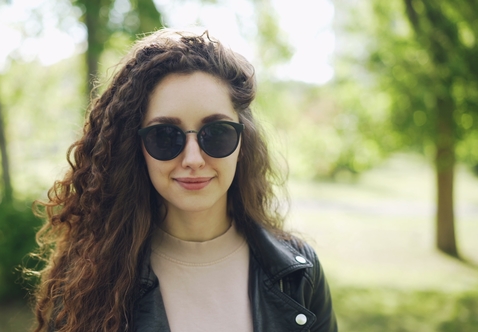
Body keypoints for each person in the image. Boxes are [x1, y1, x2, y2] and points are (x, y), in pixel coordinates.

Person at [31, 29, 337, 332]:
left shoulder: (299, 274)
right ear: (136, 148)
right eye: (165, 136)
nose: (193, 159)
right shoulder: (90, 277)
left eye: (216, 133)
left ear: (242, 142)